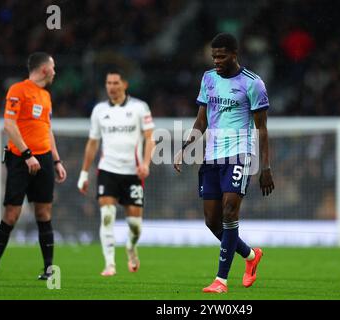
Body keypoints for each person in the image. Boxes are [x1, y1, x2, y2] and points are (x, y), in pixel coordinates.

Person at [174, 33, 275, 293]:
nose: (217, 60)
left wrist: (265, 167)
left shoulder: (253, 84)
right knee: (212, 221)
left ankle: (221, 280)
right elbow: (201, 120)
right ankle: (251, 256)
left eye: (221, 56)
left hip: (239, 154)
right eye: (214, 56)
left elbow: (262, 129)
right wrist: (184, 148)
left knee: (230, 211)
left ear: (234, 54)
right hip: (212, 157)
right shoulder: (208, 79)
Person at [0, 52, 67, 281]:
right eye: (53, 67)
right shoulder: (18, 90)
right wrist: (28, 155)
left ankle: (48, 269)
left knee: (44, 212)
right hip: (21, 159)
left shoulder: (46, 96)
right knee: (12, 213)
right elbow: (9, 125)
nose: (55, 71)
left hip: (45, 158)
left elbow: (47, 129)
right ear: (44, 70)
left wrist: (57, 160)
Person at [77, 69, 155, 276]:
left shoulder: (139, 108)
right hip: (108, 170)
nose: (111, 87)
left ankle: (130, 247)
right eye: (108, 83)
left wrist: (146, 164)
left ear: (125, 84)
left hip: (133, 172)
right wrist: (84, 174)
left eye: (115, 83)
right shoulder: (99, 110)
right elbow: (92, 143)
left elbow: (150, 138)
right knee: (107, 216)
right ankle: (110, 263)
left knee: (135, 226)